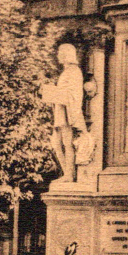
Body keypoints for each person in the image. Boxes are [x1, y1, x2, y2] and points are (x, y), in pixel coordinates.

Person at [42, 44, 88, 182]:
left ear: (66, 55)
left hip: (67, 111)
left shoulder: (74, 71)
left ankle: (69, 175)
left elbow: (75, 93)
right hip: (60, 109)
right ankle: (66, 173)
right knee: (56, 143)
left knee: (67, 143)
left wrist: (53, 92)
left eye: (60, 53)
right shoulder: (66, 72)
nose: (58, 56)